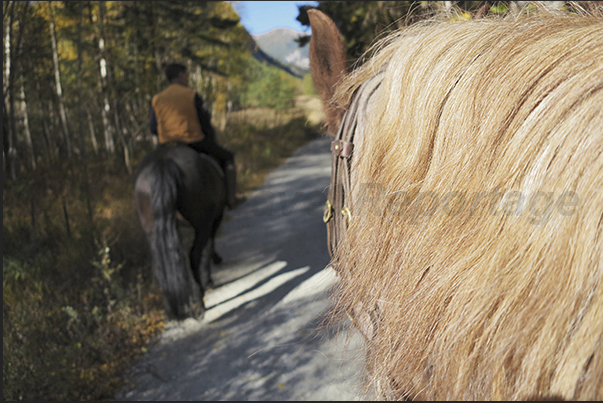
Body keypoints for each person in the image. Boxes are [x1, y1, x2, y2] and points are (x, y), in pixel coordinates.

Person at [150, 63, 245, 209]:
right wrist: (211, 141)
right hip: (192, 141)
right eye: (186, 75)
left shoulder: (157, 99)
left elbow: (153, 128)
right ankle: (231, 199)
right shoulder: (191, 95)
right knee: (228, 158)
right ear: (180, 75)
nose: (187, 78)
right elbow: (205, 123)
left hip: (166, 146)